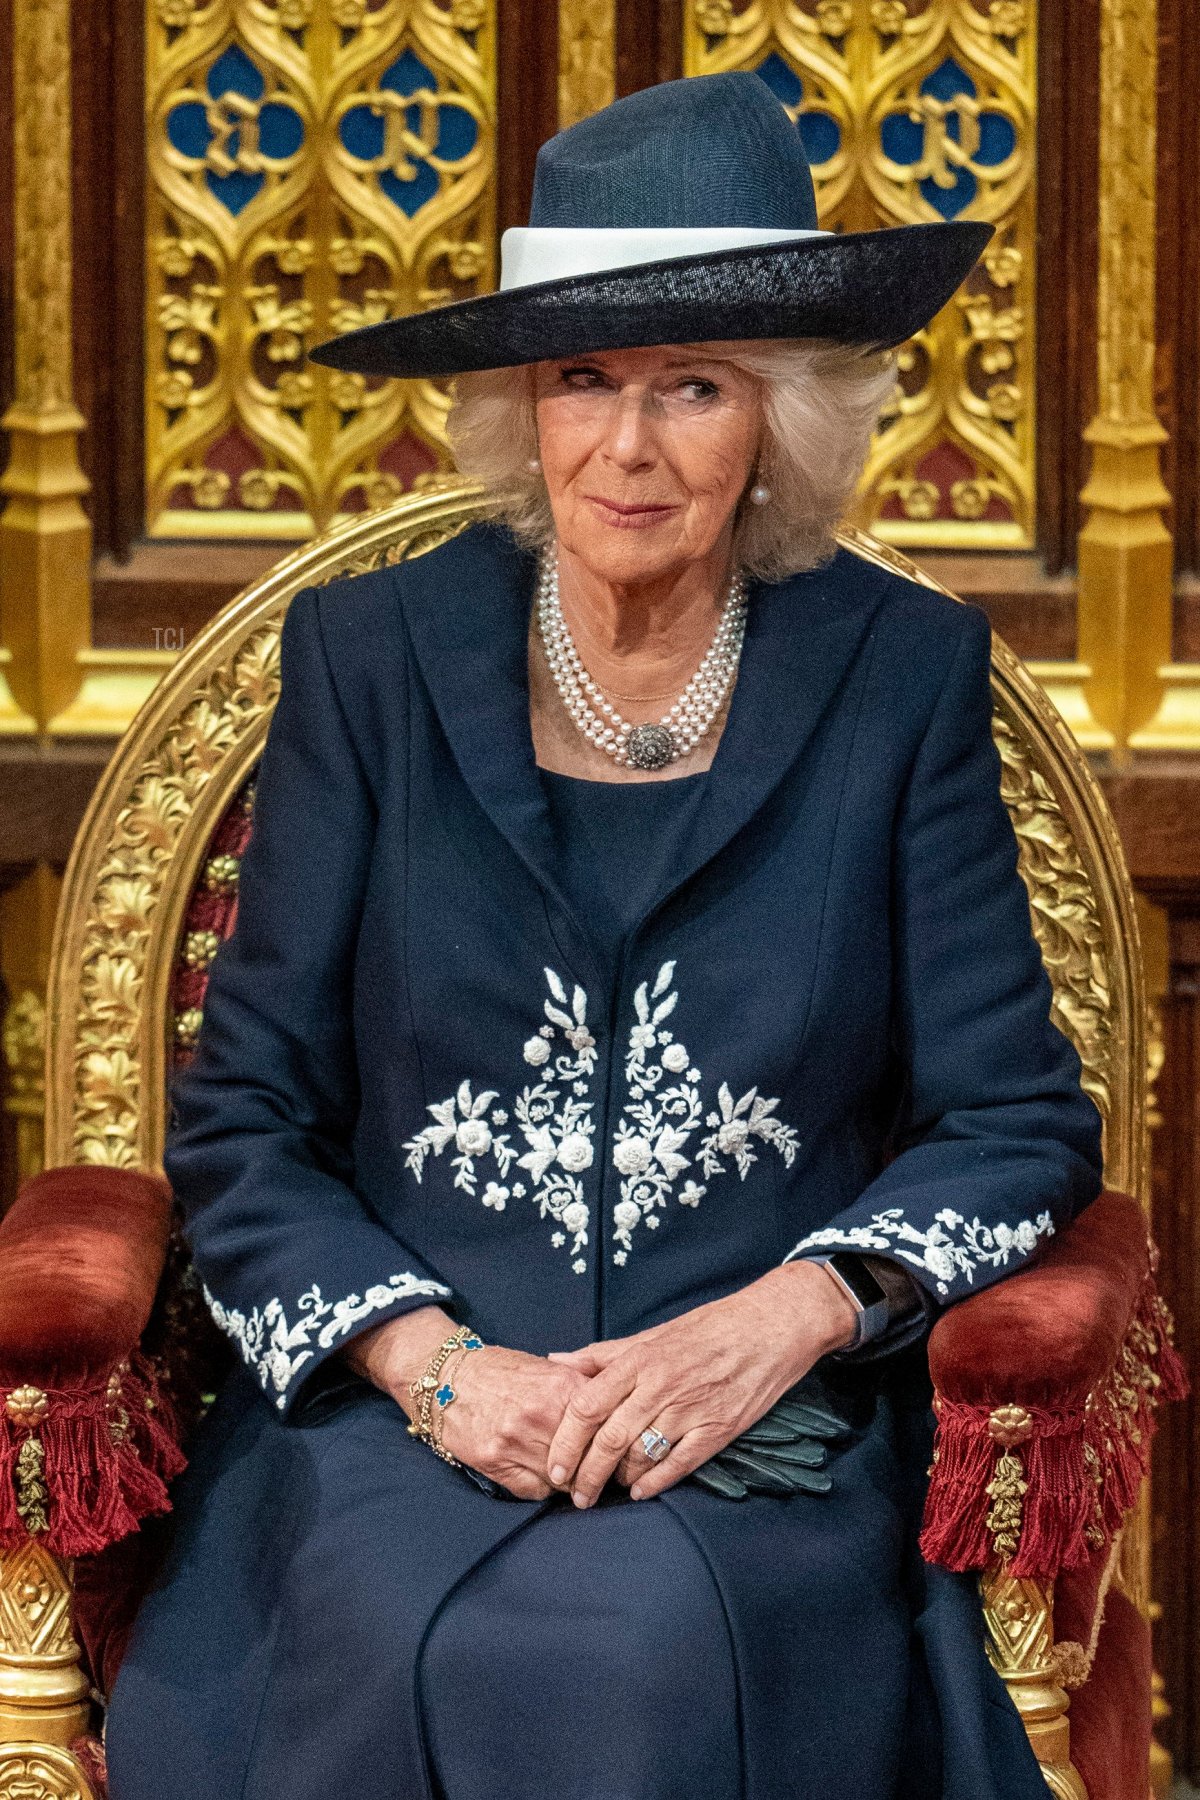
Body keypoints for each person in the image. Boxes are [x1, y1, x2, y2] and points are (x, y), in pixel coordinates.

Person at [105, 73, 1103, 1800]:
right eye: (583, 381)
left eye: (692, 388)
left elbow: (1017, 1117)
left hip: (751, 1432)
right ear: (520, 406)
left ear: (779, 424)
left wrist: (789, 1317)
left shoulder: (899, 677)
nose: (629, 449)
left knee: (635, 1655)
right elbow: (245, 1121)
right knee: (396, 1636)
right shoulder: (370, 664)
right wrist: (435, 1367)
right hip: (405, 1415)